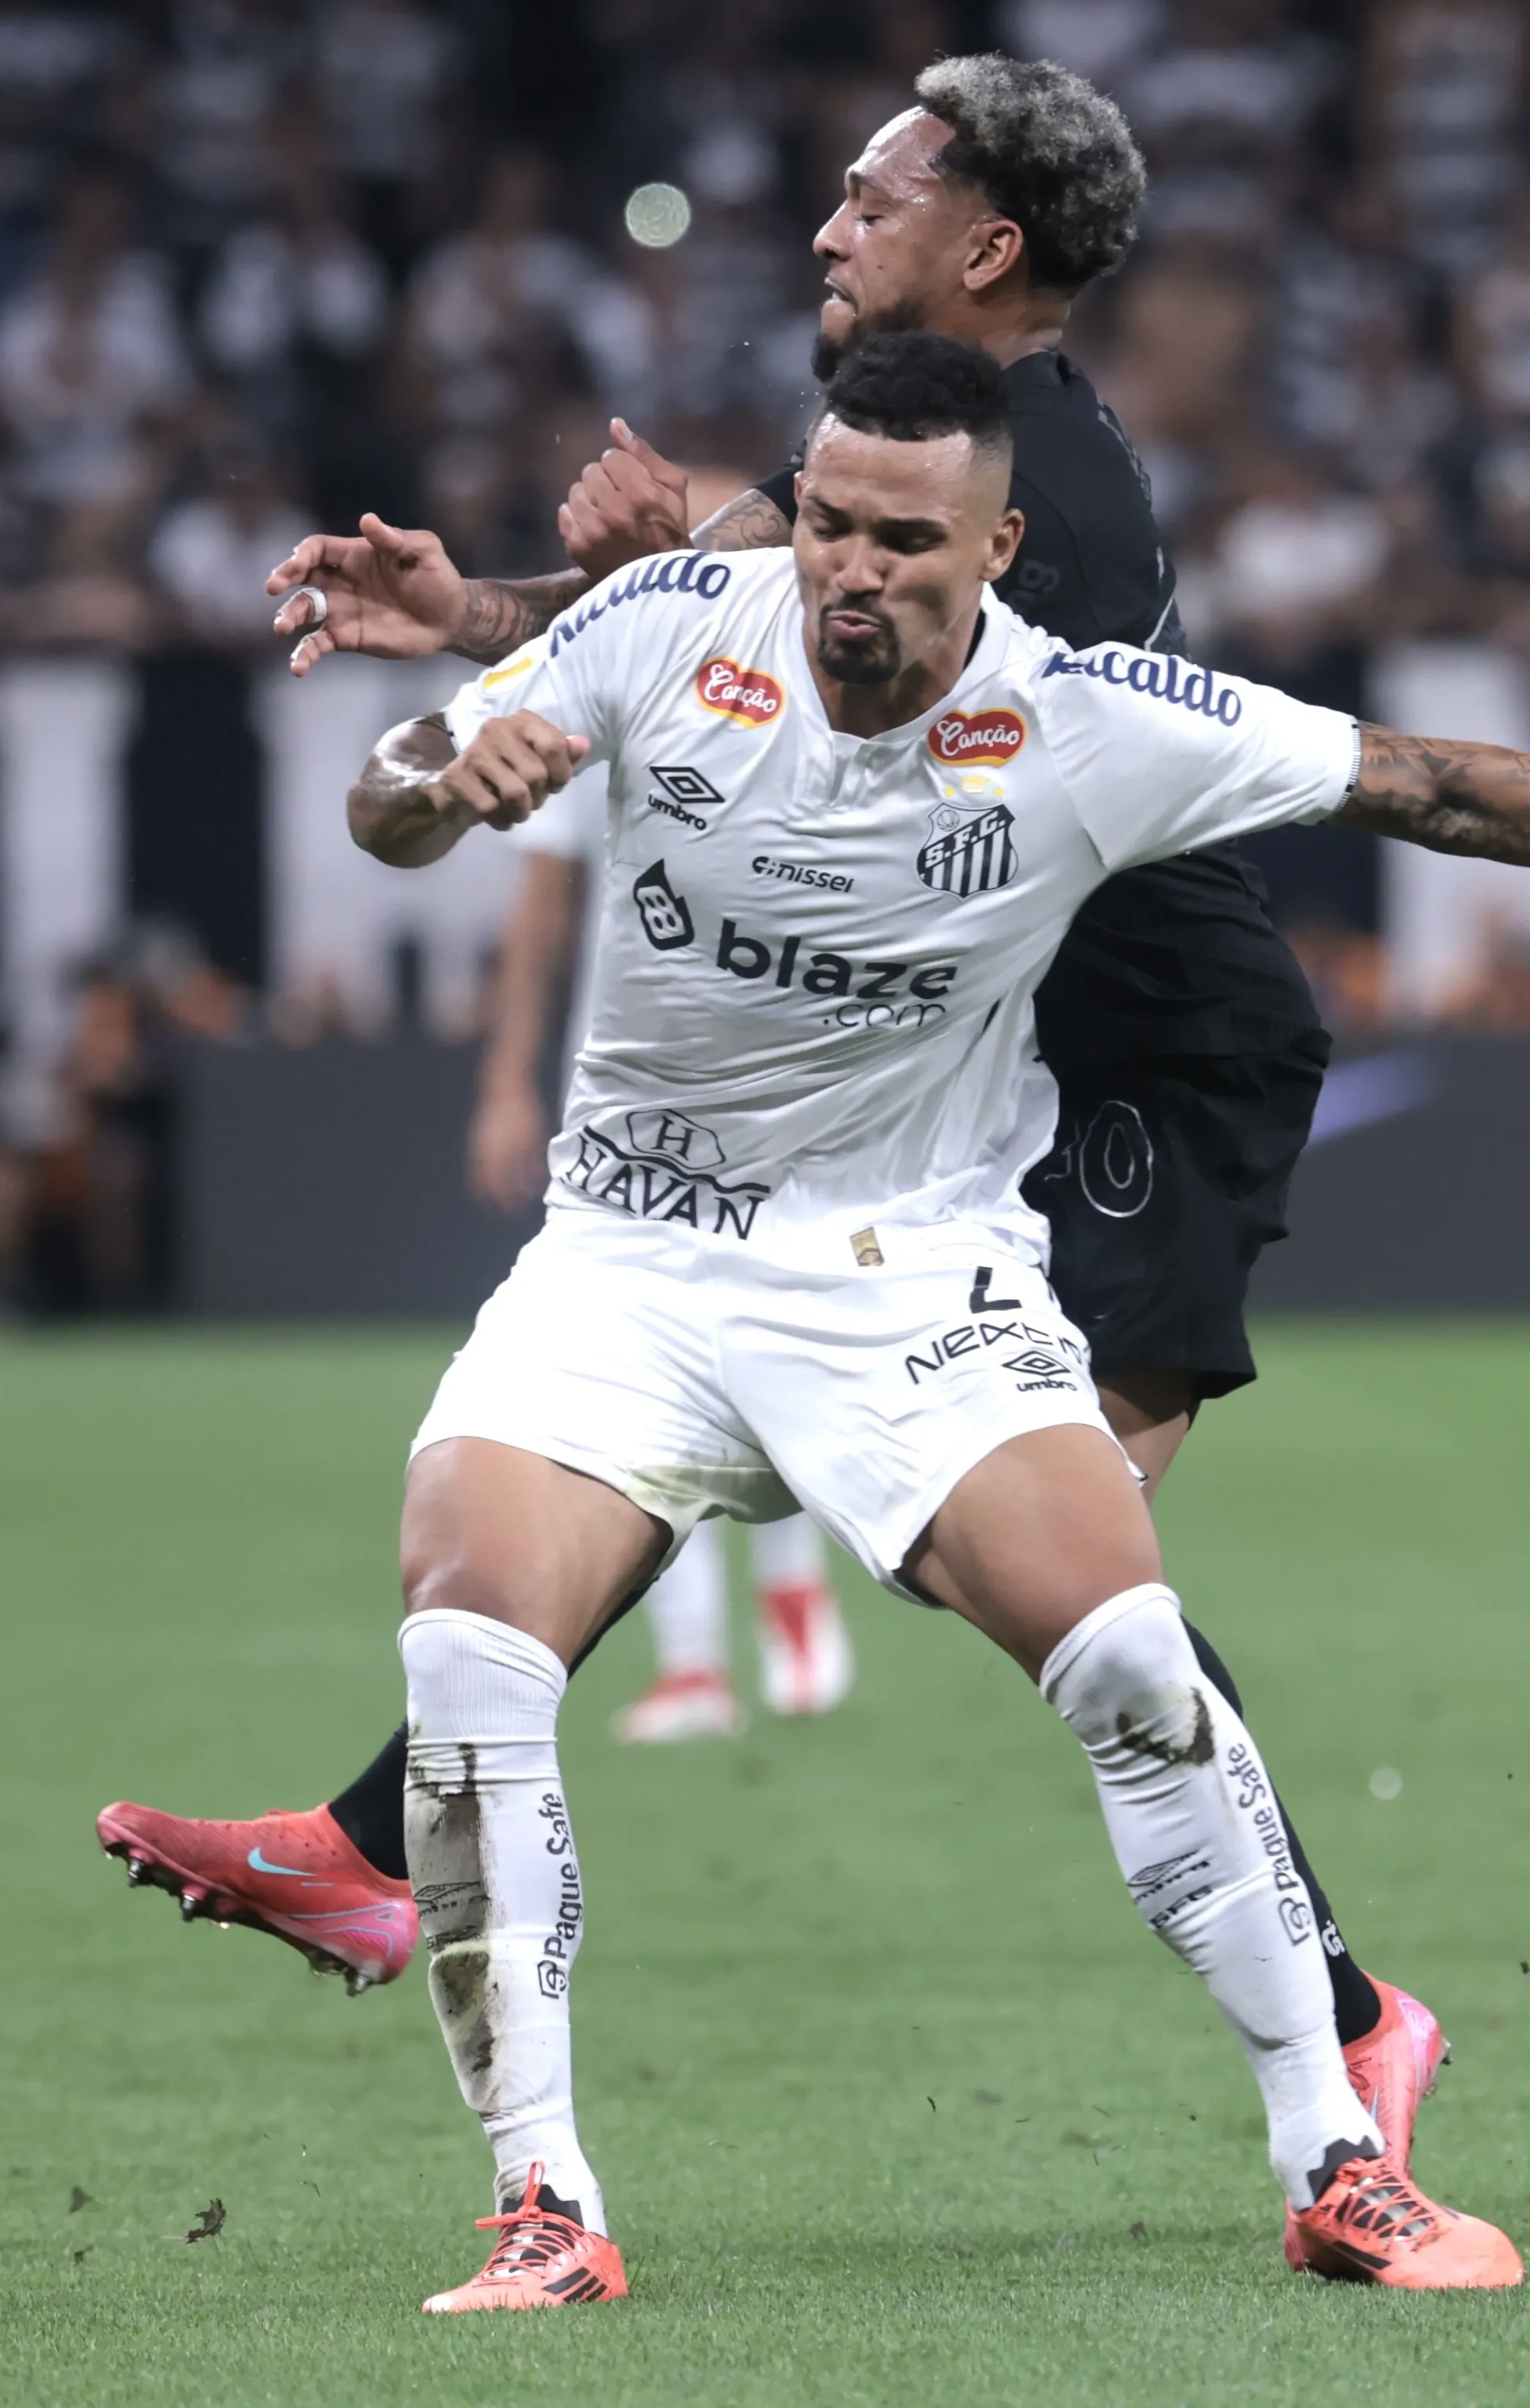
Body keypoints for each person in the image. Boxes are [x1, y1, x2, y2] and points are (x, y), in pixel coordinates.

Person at [271, 333, 1530, 2309]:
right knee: (467, 1650)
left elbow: (1442, 786)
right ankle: (544, 2205)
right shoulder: (681, 612)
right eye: (827, 520)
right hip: (628, 1264)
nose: (846, 567)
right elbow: (394, 789)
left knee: (1124, 1651)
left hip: (904, 1275)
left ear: (994, 543)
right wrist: (443, 777)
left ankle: (1334, 2158)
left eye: (901, 539)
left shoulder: (1087, 720)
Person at [100, 61, 1414, 2111]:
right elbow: (760, 635)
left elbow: (894, 670)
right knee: (927, 1511)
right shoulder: (937, 467)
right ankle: (379, 1843)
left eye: (867, 195)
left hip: (1156, 1065)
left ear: (979, 247)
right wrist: (480, 622)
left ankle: (1344, 2025)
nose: (825, 226)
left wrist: (703, 532)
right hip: (1003, 1060)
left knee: (1073, 1577)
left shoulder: (1041, 484)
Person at [474, 790, 855, 1739]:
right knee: (636, 1372)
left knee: (767, 1341)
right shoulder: (589, 687)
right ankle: (695, 1662)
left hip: (771, 1082)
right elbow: (545, 902)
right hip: (622, 1094)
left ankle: (790, 1595)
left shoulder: (775, 682)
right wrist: (508, 1078)